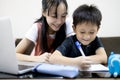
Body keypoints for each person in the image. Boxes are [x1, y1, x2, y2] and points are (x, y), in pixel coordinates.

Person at [49, 4, 107, 69]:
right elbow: (53, 58)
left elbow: (103, 57)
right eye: (82, 32)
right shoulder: (70, 41)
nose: (87, 36)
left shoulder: (95, 40)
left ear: (98, 29)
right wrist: (76, 62)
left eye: (91, 32)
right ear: (74, 29)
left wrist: (84, 60)